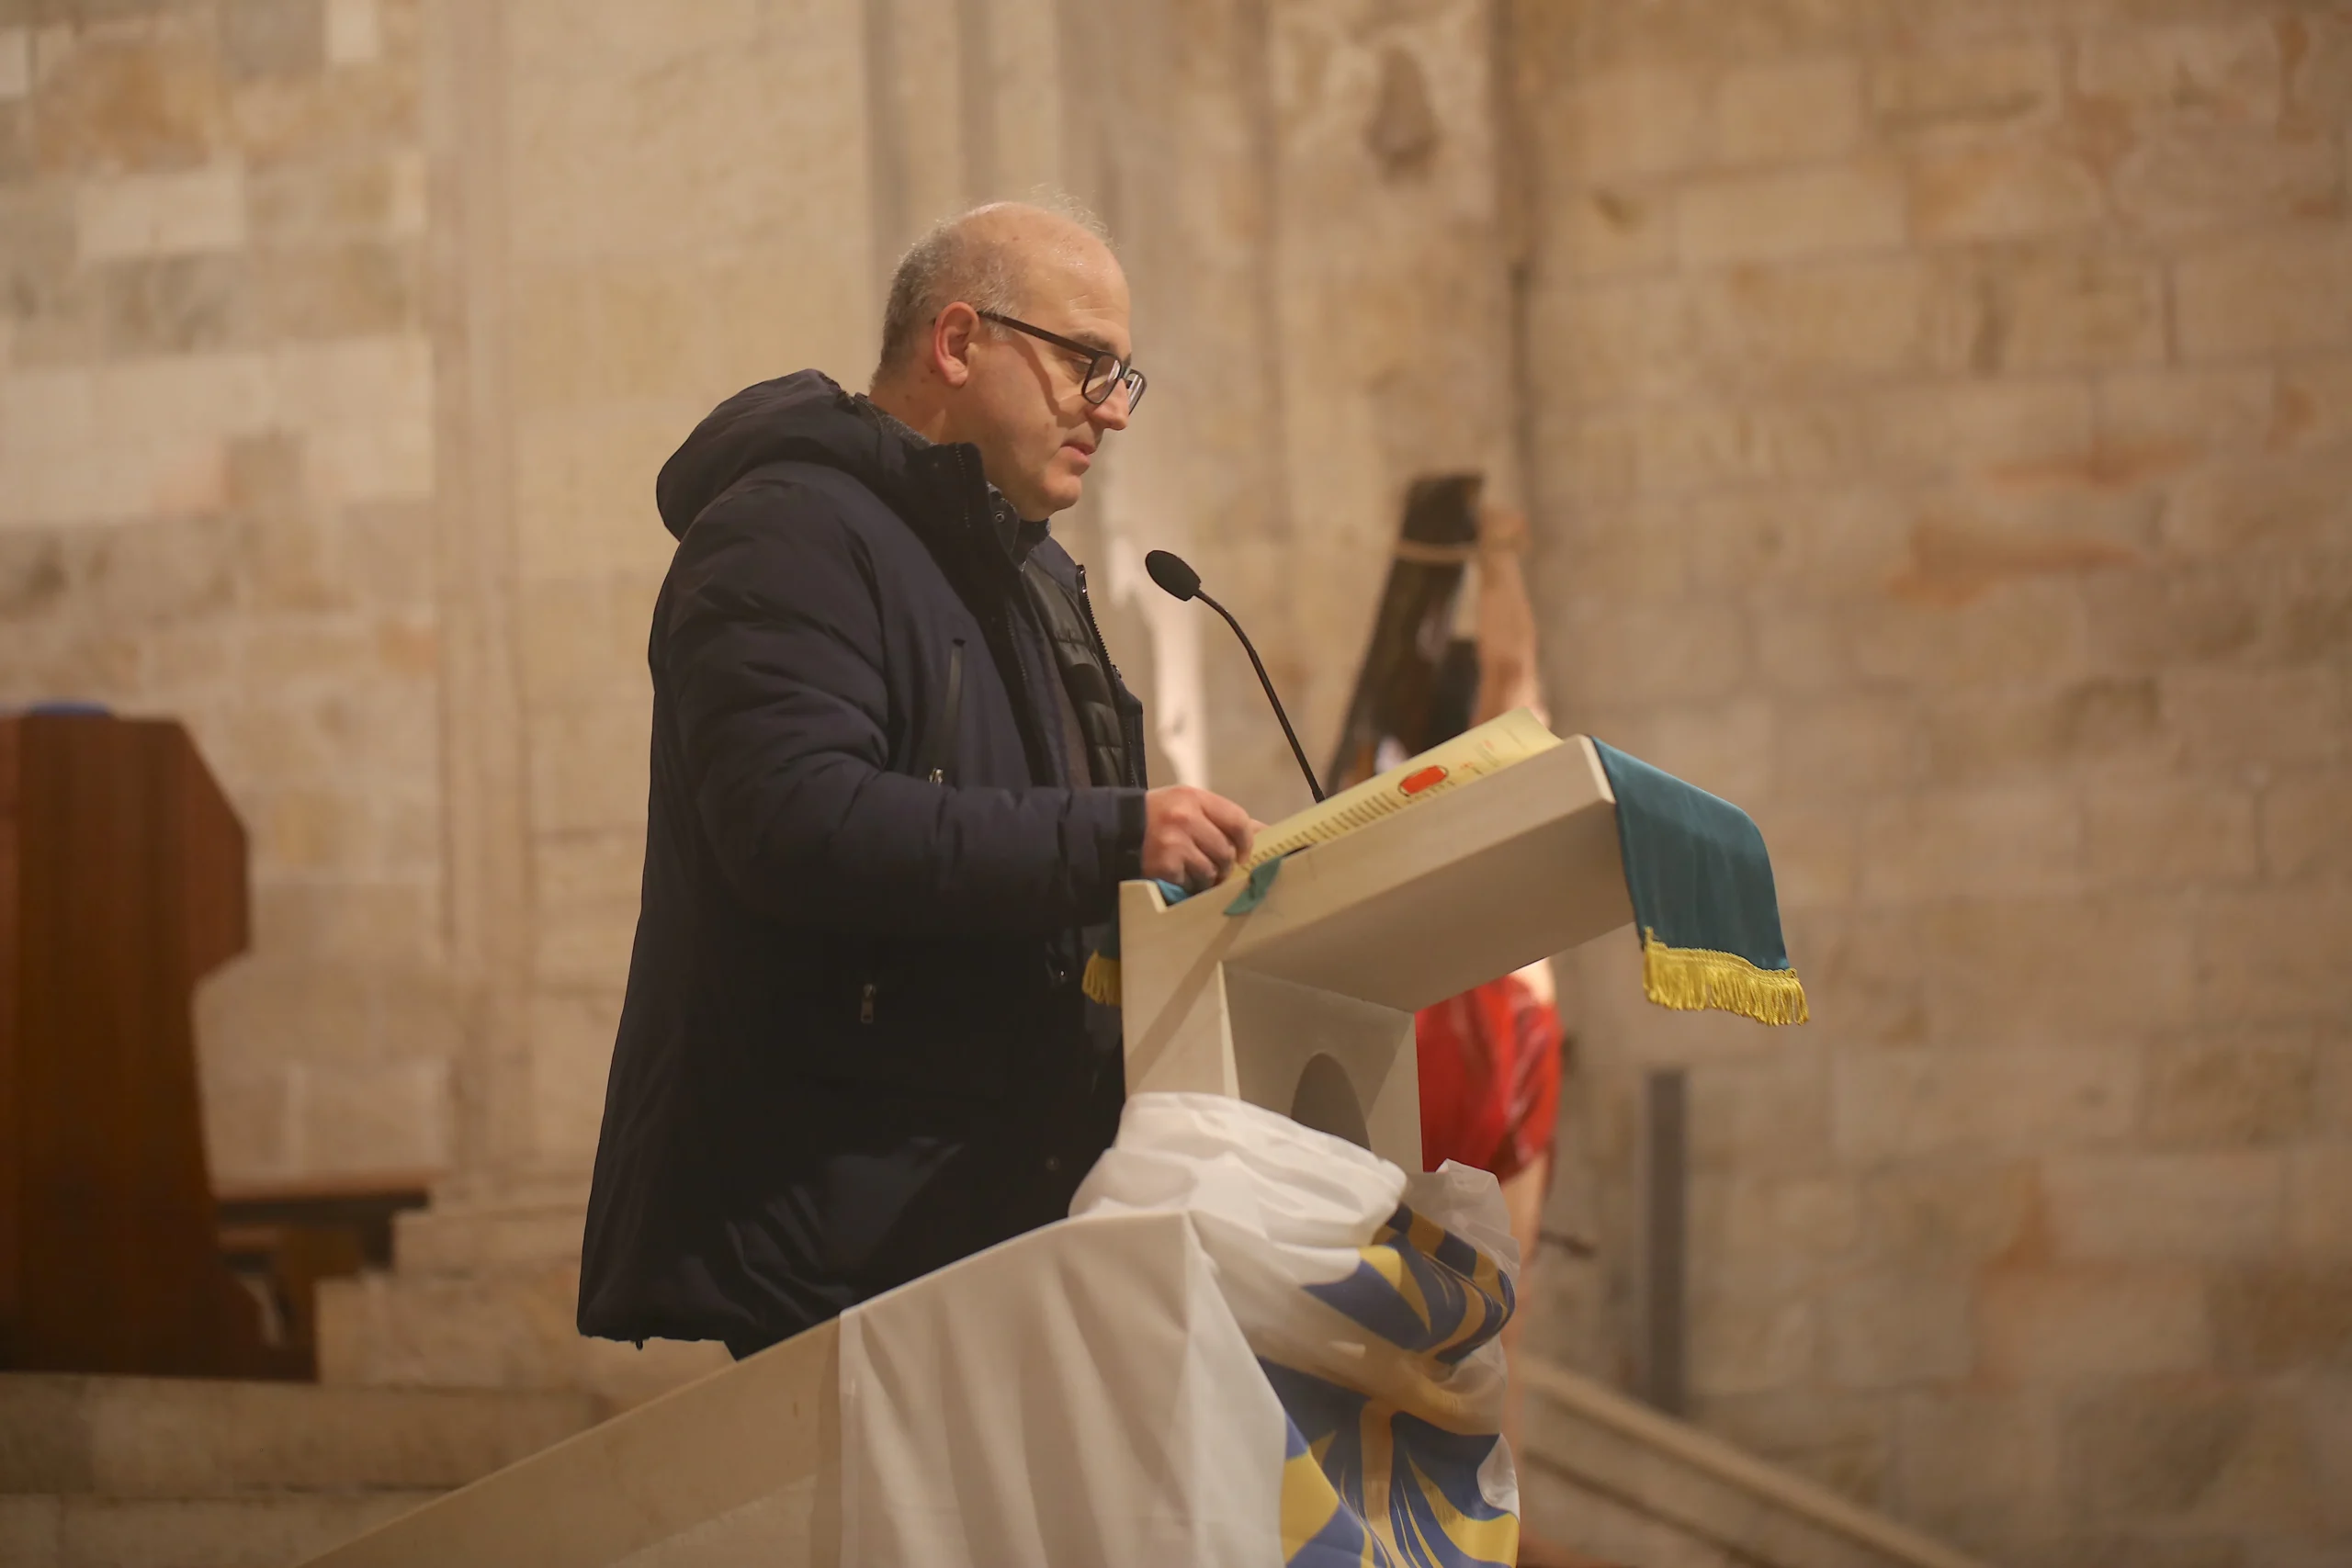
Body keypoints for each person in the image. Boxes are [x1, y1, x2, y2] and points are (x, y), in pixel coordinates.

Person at [577, 201, 1260, 1358]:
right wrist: (1116, 837)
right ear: (957, 342)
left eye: (1121, 376)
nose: (1110, 409)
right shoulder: (786, 532)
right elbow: (798, 824)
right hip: (837, 1216)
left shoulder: (1028, 575)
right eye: (1086, 363)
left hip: (1004, 1196)